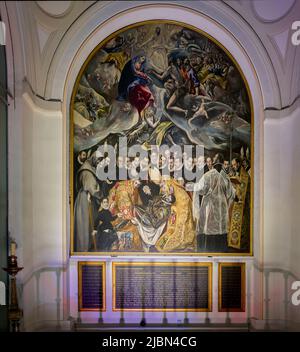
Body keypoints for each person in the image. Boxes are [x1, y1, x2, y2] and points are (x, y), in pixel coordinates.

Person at [192, 155, 235, 252]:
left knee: (210, 228)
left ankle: (210, 249)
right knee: (219, 229)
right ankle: (220, 249)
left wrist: (195, 187)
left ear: (214, 164)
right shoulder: (225, 177)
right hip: (221, 207)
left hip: (211, 207)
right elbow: (230, 193)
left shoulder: (208, 175)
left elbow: (200, 190)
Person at [74, 152, 102, 252]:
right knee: (85, 225)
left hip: (86, 197)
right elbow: (93, 189)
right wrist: (102, 194)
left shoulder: (89, 167)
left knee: (88, 225)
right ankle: (84, 249)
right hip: (85, 200)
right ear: (93, 158)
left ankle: (87, 247)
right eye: (98, 160)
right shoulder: (87, 170)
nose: (99, 162)